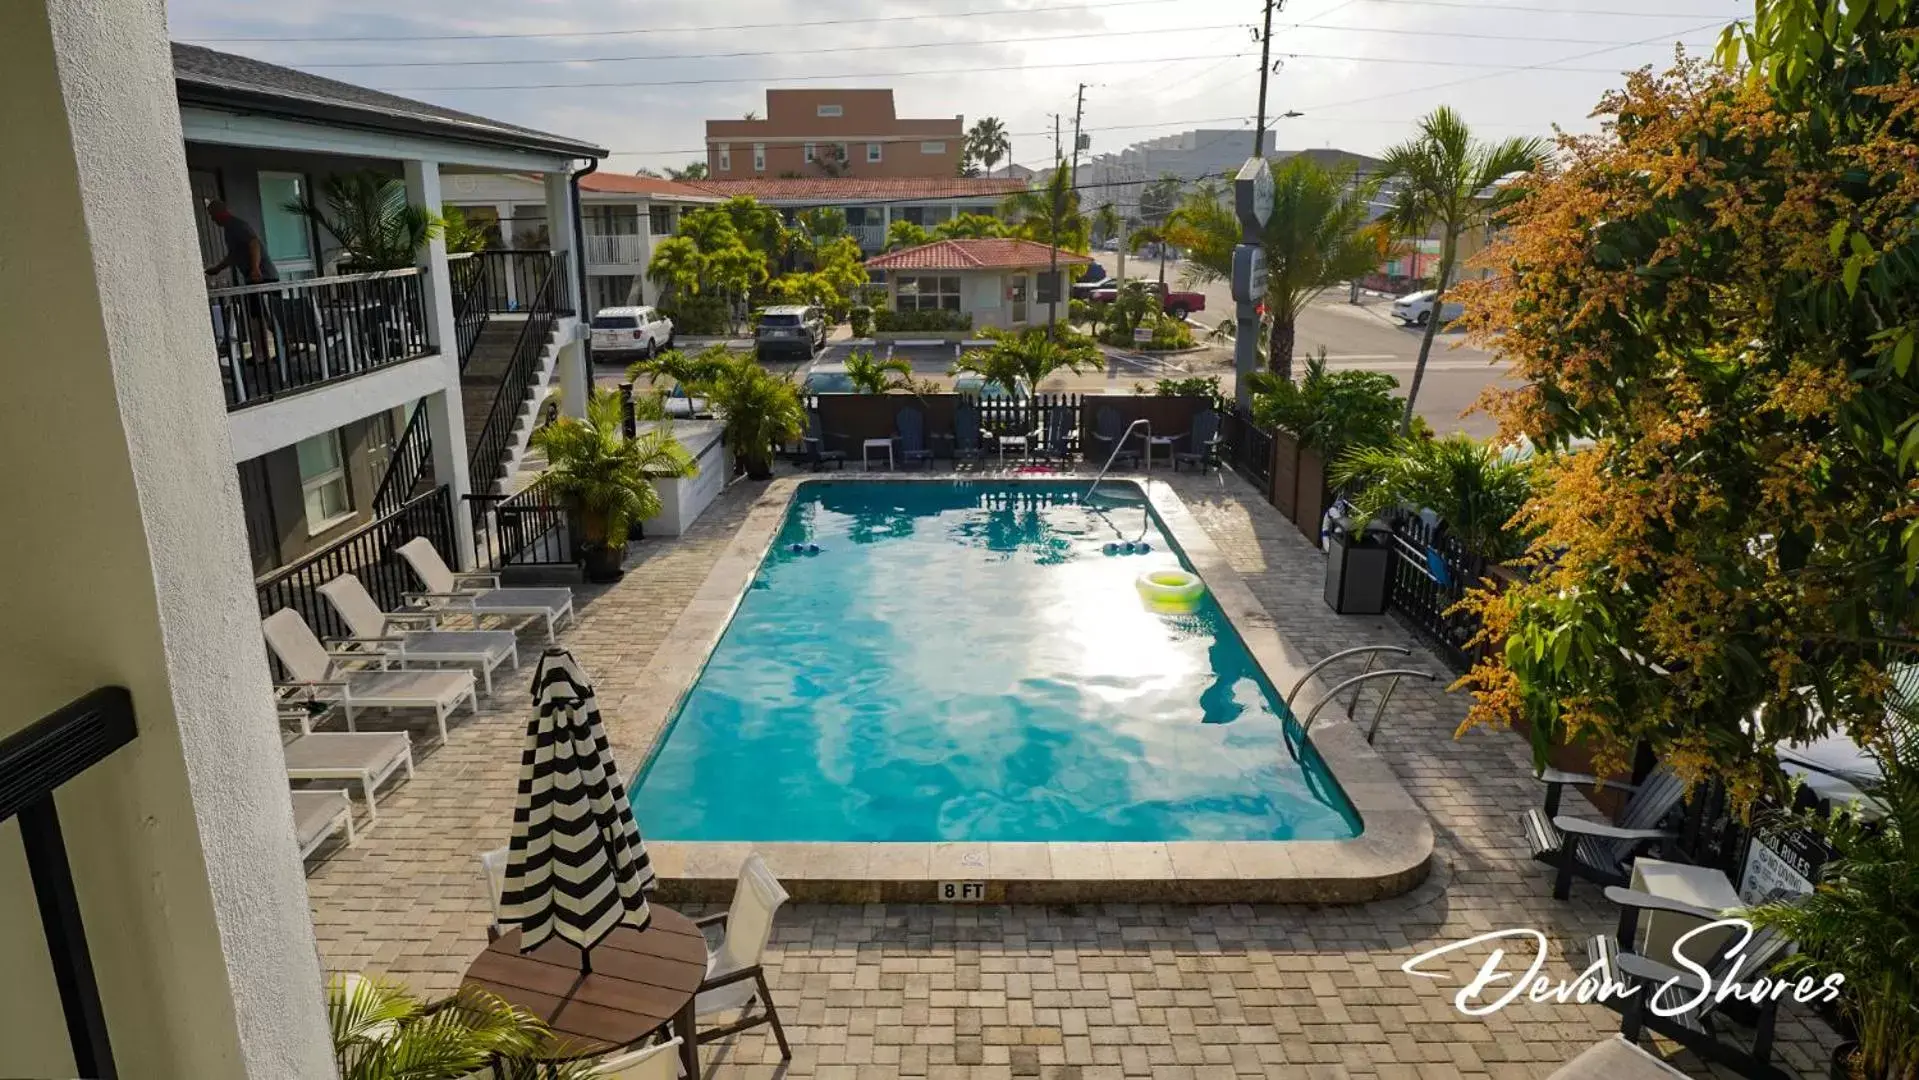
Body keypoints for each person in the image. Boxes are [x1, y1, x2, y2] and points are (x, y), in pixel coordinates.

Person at [202, 199, 278, 285]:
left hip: (263, 277)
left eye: (212, 215)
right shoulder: (229, 229)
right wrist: (217, 269)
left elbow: (254, 243)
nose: (212, 219)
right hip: (254, 277)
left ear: (218, 213)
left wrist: (255, 268)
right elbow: (234, 255)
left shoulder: (236, 225)